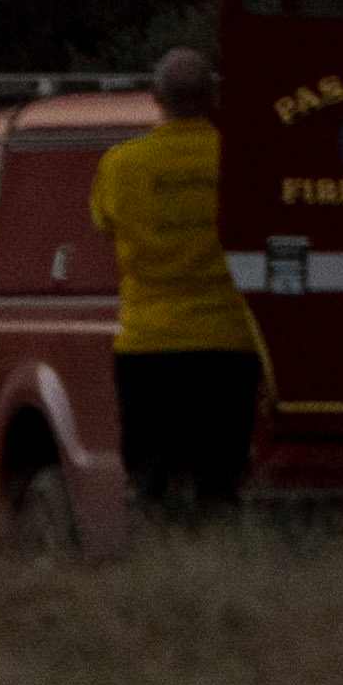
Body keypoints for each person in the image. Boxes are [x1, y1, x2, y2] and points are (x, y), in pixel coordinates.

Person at [94, 44, 262, 528]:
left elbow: (104, 225)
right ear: (213, 96)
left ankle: (158, 569)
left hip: (148, 346)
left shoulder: (121, 165)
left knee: (149, 480)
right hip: (228, 345)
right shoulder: (244, 161)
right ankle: (216, 570)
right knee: (220, 481)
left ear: (155, 96)